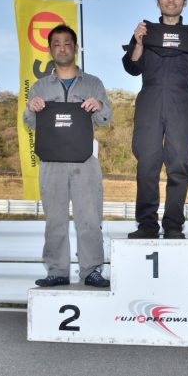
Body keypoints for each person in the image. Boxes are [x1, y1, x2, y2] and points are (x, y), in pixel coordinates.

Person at [122, 0, 188, 239]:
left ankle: (174, 225)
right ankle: (147, 225)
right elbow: (132, 67)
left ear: (184, 2)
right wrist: (139, 42)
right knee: (147, 164)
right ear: (158, 2)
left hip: (181, 102)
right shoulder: (145, 31)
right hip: (150, 100)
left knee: (179, 164)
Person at [23, 24, 112, 287]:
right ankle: (57, 270)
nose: (62, 48)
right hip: (51, 163)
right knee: (55, 220)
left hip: (85, 162)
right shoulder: (40, 86)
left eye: (67, 43)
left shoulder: (93, 83)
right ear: (50, 49)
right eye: (57, 44)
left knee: (90, 218)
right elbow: (29, 123)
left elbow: (105, 120)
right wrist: (31, 108)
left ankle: (92, 270)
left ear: (76, 48)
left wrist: (99, 105)